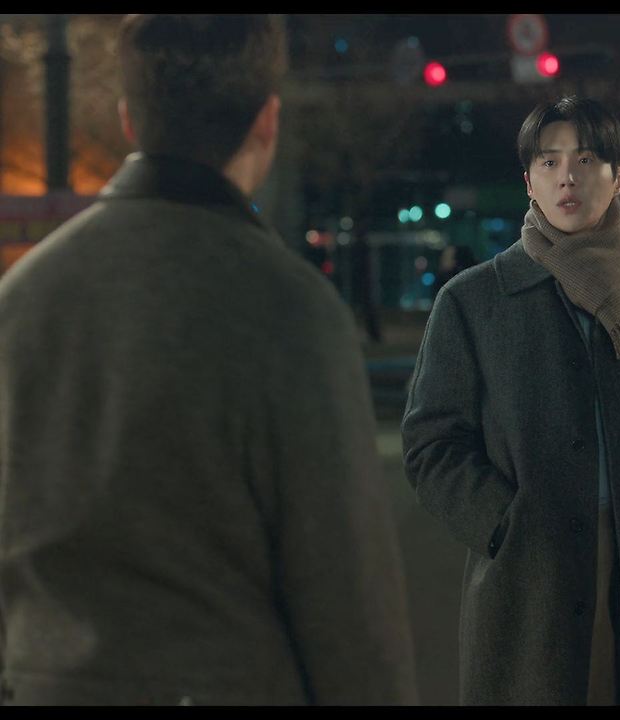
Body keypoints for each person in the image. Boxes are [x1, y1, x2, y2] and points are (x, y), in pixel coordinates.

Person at [0, 15, 417, 705]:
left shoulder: (21, 299)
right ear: (267, 123)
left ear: (130, 120)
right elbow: (346, 599)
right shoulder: (289, 308)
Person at [401, 96, 620, 706]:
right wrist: (501, 523)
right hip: (530, 572)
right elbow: (431, 443)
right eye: (548, 162)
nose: (567, 177)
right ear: (529, 182)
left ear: (619, 178)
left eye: (586, 159)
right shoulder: (474, 301)